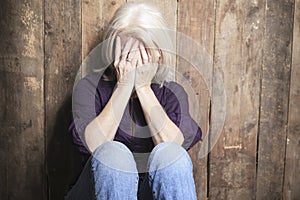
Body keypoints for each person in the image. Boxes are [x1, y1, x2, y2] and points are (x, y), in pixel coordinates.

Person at [66, 2, 202, 200]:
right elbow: (94, 146)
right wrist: (123, 85)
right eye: (126, 49)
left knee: (171, 154)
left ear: (159, 53)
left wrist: (143, 87)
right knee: (114, 154)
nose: (134, 58)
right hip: (95, 191)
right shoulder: (89, 88)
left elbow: (175, 150)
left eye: (143, 51)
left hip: (150, 192)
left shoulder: (172, 93)